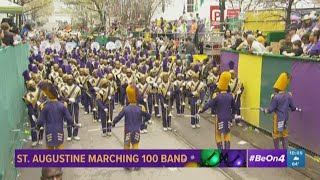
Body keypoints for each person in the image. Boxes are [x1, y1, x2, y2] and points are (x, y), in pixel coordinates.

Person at [112, 84, 151, 170]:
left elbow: (118, 117)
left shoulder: (125, 108)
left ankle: (127, 165)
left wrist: (113, 123)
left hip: (127, 130)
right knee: (135, 147)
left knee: (127, 147)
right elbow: (148, 116)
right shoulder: (141, 108)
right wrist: (143, 123)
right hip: (136, 130)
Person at [260, 73, 301, 149]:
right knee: (284, 133)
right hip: (285, 117)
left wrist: (263, 110)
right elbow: (293, 108)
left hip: (277, 118)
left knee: (276, 134)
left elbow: (270, 109)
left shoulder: (275, 97)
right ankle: (285, 151)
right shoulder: (289, 95)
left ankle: (277, 152)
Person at [198, 71, 236, 149]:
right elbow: (234, 107)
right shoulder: (230, 96)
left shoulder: (217, 96)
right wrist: (232, 115)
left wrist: (201, 110)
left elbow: (209, 104)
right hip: (228, 117)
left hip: (219, 117)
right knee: (227, 135)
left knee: (218, 135)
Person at [37, 81, 74, 150]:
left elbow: (41, 121)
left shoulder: (45, 107)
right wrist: (73, 124)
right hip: (59, 131)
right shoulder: (62, 105)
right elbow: (69, 119)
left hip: (49, 131)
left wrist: (37, 127)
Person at [60, 65, 81, 141]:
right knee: (69, 119)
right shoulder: (63, 88)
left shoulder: (77, 88)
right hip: (67, 106)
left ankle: (75, 134)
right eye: (68, 79)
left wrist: (75, 101)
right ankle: (69, 134)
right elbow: (61, 98)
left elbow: (79, 97)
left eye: (71, 79)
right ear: (66, 80)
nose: (70, 81)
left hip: (75, 106)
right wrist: (68, 100)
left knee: (76, 119)